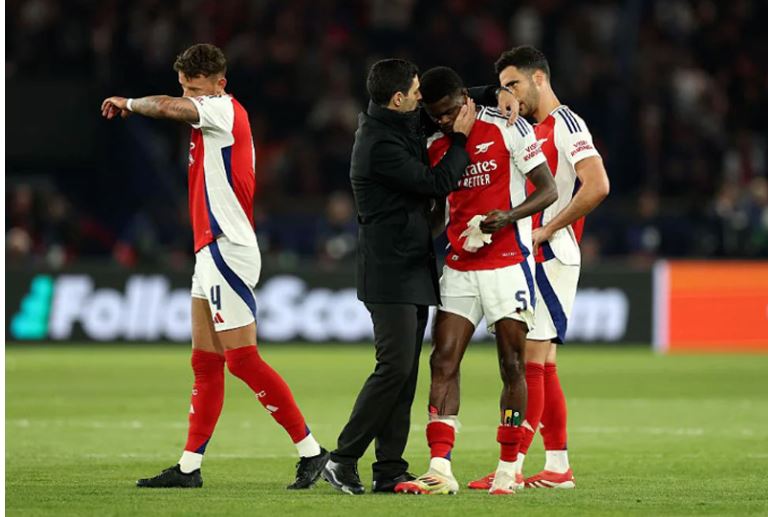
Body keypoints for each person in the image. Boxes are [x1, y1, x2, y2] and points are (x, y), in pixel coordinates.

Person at [101, 43, 328, 490]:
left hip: (228, 247)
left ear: (220, 84)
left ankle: (312, 451)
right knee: (205, 363)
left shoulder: (222, 110)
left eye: (196, 89)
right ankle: (189, 468)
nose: (189, 98)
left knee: (242, 360)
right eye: (184, 88)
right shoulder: (208, 114)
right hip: (209, 250)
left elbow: (168, 108)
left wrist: (129, 103)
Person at [392, 66, 557, 496]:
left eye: (449, 111)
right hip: (460, 266)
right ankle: (439, 468)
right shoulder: (434, 143)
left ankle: (507, 468)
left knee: (512, 365)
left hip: (507, 265)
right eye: (437, 115)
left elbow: (548, 190)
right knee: (442, 361)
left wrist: (509, 217)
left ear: (466, 97)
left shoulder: (507, 126)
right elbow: (436, 208)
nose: (445, 120)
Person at [321, 59, 477, 495]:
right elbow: (437, 182)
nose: (421, 99)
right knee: (393, 368)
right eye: (415, 92)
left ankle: (390, 468)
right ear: (397, 99)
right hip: (389, 271)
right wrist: (460, 139)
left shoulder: (399, 121)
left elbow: (446, 97)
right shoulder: (378, 145)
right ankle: (343, 458)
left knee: (405, 374)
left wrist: (496, 95)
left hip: (411, 265)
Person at [468, 45, 610, 490]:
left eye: (513, 84)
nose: (508, 94)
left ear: (540, 79)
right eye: (503, 87)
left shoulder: (567, 124)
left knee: (529, 360)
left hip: (551, 253)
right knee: (544, 363)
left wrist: (548, 229)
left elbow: (598, 184)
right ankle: (557, 466)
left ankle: (510, 468)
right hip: (538, 253)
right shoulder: (530, 129)